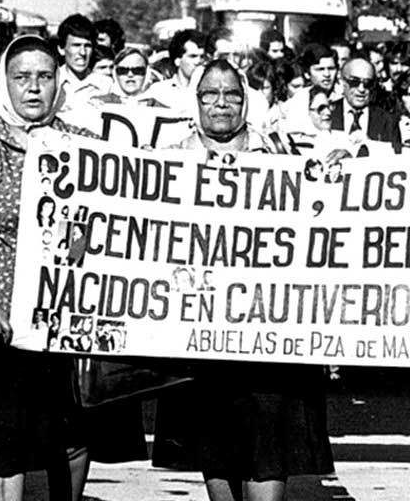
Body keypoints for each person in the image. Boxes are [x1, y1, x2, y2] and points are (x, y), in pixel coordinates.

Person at [0, 34, 144, 501]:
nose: (33, 87)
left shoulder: (88, 149)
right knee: (0, 435)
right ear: (5, 83)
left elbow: (116, 225)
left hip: (62, 322)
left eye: (44, 77)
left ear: (58, 82)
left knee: (71, 429)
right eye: (21, 77)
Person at [153, 59, 333, 501]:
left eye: (232, 94)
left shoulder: (278, 156)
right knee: (214, 449)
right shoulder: (169, 160)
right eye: (209, 94)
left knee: (269, 447)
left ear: (245, 100)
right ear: (195, 101)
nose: (221, 104)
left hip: (268, 333)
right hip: (197, 334)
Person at [330, 57, 402, 151]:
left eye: (368, 83)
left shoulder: (387, 121)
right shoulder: (328, 113)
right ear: (342, 82)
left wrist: (370, 145)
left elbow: (396, 158)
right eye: (354, 82)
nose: (361, 89)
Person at [145, 29, 206, 110]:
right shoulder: (159, 90)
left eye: (202, 57)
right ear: (177, 61)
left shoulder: (212, 91)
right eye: (193, 56)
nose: (198, 62)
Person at [90, 47, 166, 107]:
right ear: (115, 73)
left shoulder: (161, 109)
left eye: (137, 70)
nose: (130, 75)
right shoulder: (99, 103)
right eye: (123, 70)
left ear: (147, 73)